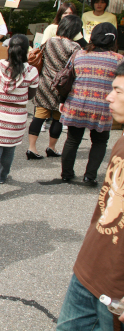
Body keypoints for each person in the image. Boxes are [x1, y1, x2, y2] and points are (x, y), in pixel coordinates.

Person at [56, 60, 124, 329]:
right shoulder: (120, 142)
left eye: (118, 91)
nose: (108, 96)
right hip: (90, 267)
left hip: (117, 285)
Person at [60, 22, 123, 185]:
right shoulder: (118, 59)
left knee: (72, 140)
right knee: (100, 142)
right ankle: (90, 176)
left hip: (77, 104)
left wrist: (62, 101)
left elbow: (67, 78)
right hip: (102, 107)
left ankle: (66, 174)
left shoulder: (78, 55)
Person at [0, 34, 39, 201]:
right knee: (10, 148)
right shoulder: (32, 71)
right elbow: (30, 96)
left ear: (9, 48)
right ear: (26, 50)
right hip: (17, 117)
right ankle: (3, 176)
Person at [26, 15, 83, 159]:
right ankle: (51, 147)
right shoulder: (75, 47)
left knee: (38, 117)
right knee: (57, 117)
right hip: (61, 86)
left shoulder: (50, 41)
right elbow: (74, 69)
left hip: (44, 83)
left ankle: (32, 148)